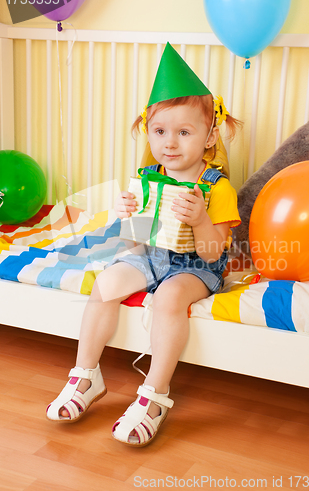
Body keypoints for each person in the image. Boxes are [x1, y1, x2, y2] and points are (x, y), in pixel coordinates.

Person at [46, 43, 242, 447]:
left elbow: (214, 253)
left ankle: (155, 394)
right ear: (148, 132)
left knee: (170, 297)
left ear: (208, 137)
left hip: (195, 267)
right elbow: (134, 238)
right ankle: (86, 375)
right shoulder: (148, 175)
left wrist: (200, 218)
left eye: (184, 132)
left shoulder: (217, 187)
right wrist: (125, 213)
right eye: (160, 131)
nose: (170, 143)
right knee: (105, 285)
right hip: (149, 256)